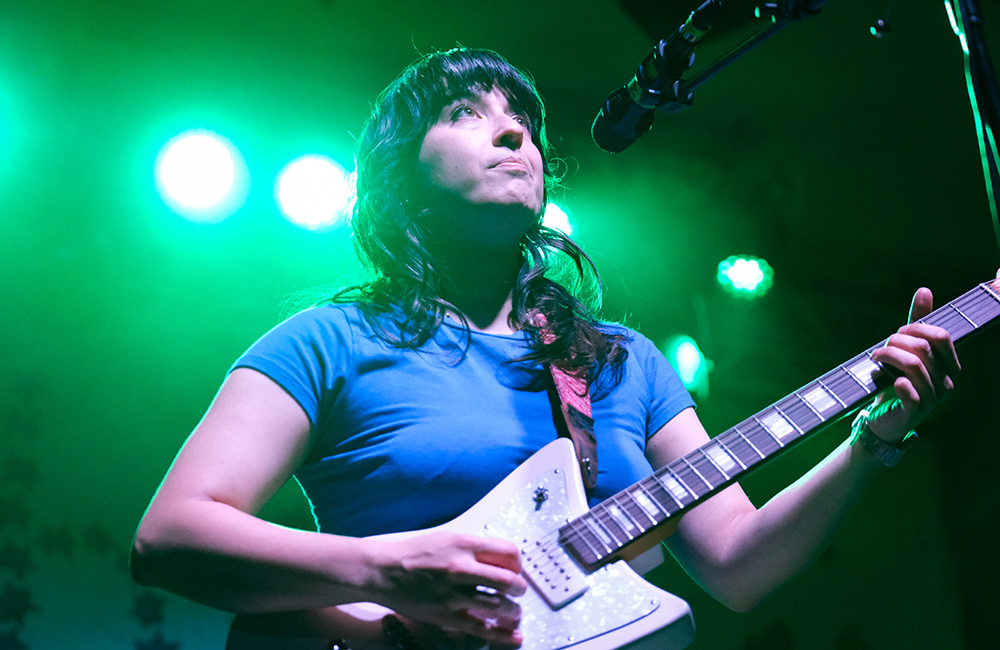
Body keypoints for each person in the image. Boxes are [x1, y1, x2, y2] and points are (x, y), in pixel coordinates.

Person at [130, 48, 964, 649]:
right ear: (396, 179)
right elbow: (170, 536)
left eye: (523, 124)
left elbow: (738, 565)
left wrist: (871, 440)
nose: (513, 136)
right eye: (467, 115)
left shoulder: (622, 364)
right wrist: (390, 569)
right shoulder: (327, 342)